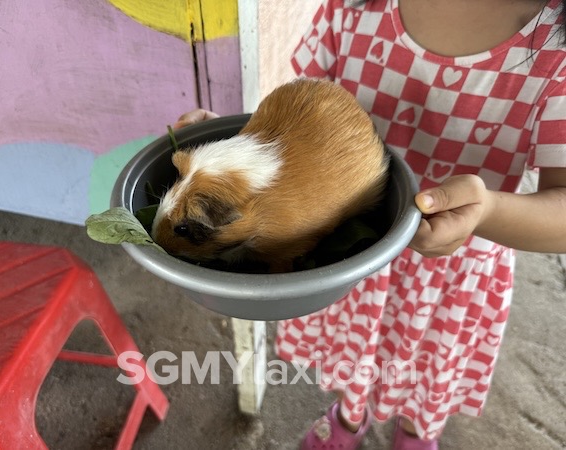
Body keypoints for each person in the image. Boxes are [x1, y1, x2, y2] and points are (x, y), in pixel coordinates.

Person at [174, 0, 566, 448]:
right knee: (355, 357)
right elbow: (299, 120)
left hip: (447, 273)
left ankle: (418, 433)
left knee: (423, 372)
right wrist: (230, 160)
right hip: (352, 259)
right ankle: (348, 418)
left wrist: (490, 211)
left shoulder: (555, 50)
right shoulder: (353, 6)